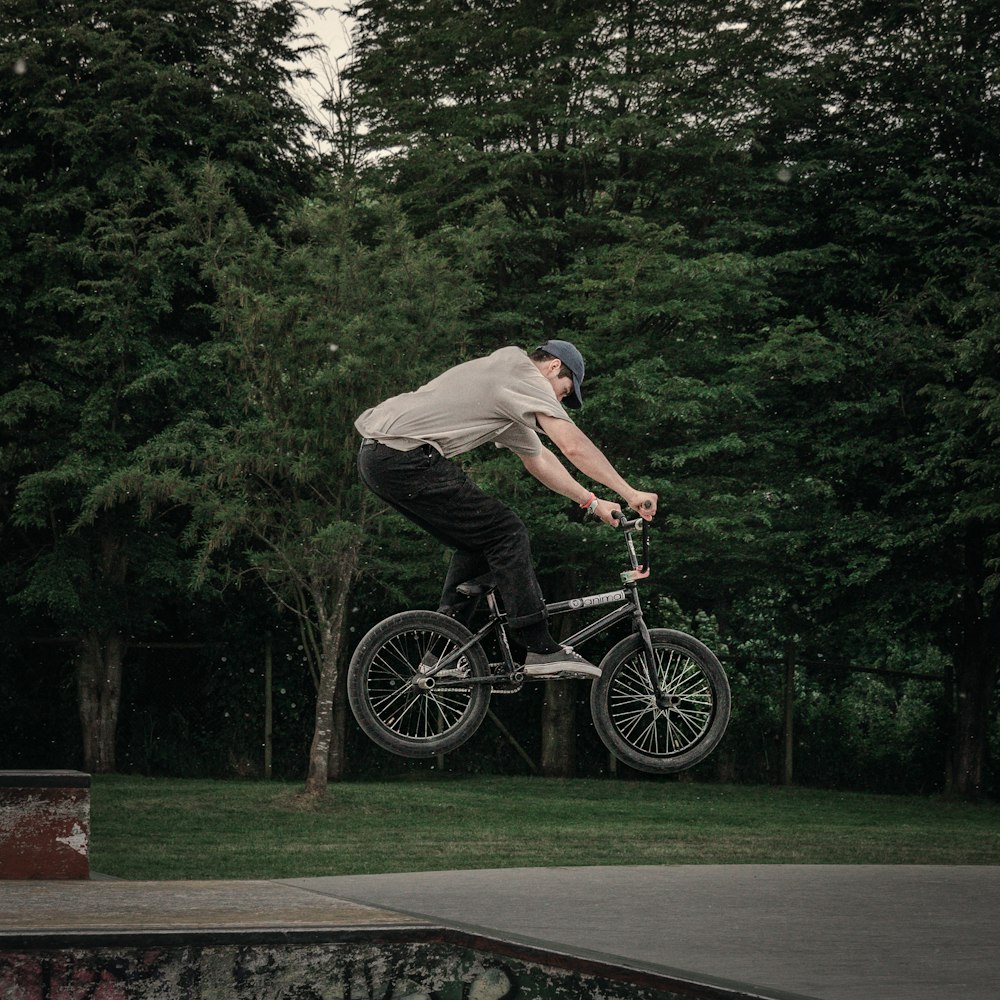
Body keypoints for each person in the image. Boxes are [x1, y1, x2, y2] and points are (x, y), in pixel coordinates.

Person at [355, 340, 658, 677]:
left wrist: (592, 502)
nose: (558, 402)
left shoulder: (507, 385)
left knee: (479, 541)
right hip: (404, 457)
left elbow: (540, 458)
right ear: (553, 366)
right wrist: (629, 492)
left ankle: (442, 655)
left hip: (380, 459)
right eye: (564, 391)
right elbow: (572, 445)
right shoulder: (521, 374)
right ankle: (540, 647)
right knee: (507, 531)